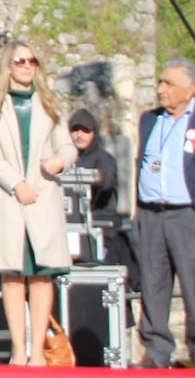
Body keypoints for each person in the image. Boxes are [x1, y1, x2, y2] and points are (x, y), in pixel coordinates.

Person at [0, 39, 78, 366]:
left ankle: (37, 352)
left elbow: (67, 145)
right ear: (8, 65)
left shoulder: (48, 103)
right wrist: (15, 183)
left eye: (32, 61)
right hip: (8, 197)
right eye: (20, 61)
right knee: (13, 274)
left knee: (43, 274)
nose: (27, 66)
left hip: (42, 196)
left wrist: (61, 161)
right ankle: (18, 349)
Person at [133, 58, 195, 368]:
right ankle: (155, 350)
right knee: (153, 284)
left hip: (190, 215)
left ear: (190, 90)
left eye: (169, 84)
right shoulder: (149, 120)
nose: (161, 90)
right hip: (151, 215)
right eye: (161, 82)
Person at [69, 109, 133, 271]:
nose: (79, 135)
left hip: (100, 229)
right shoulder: (66, 159)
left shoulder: (104, 158)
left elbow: (107, 181)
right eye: (75, 130)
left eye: (85, 130)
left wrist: (94, 177)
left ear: (94, 132)